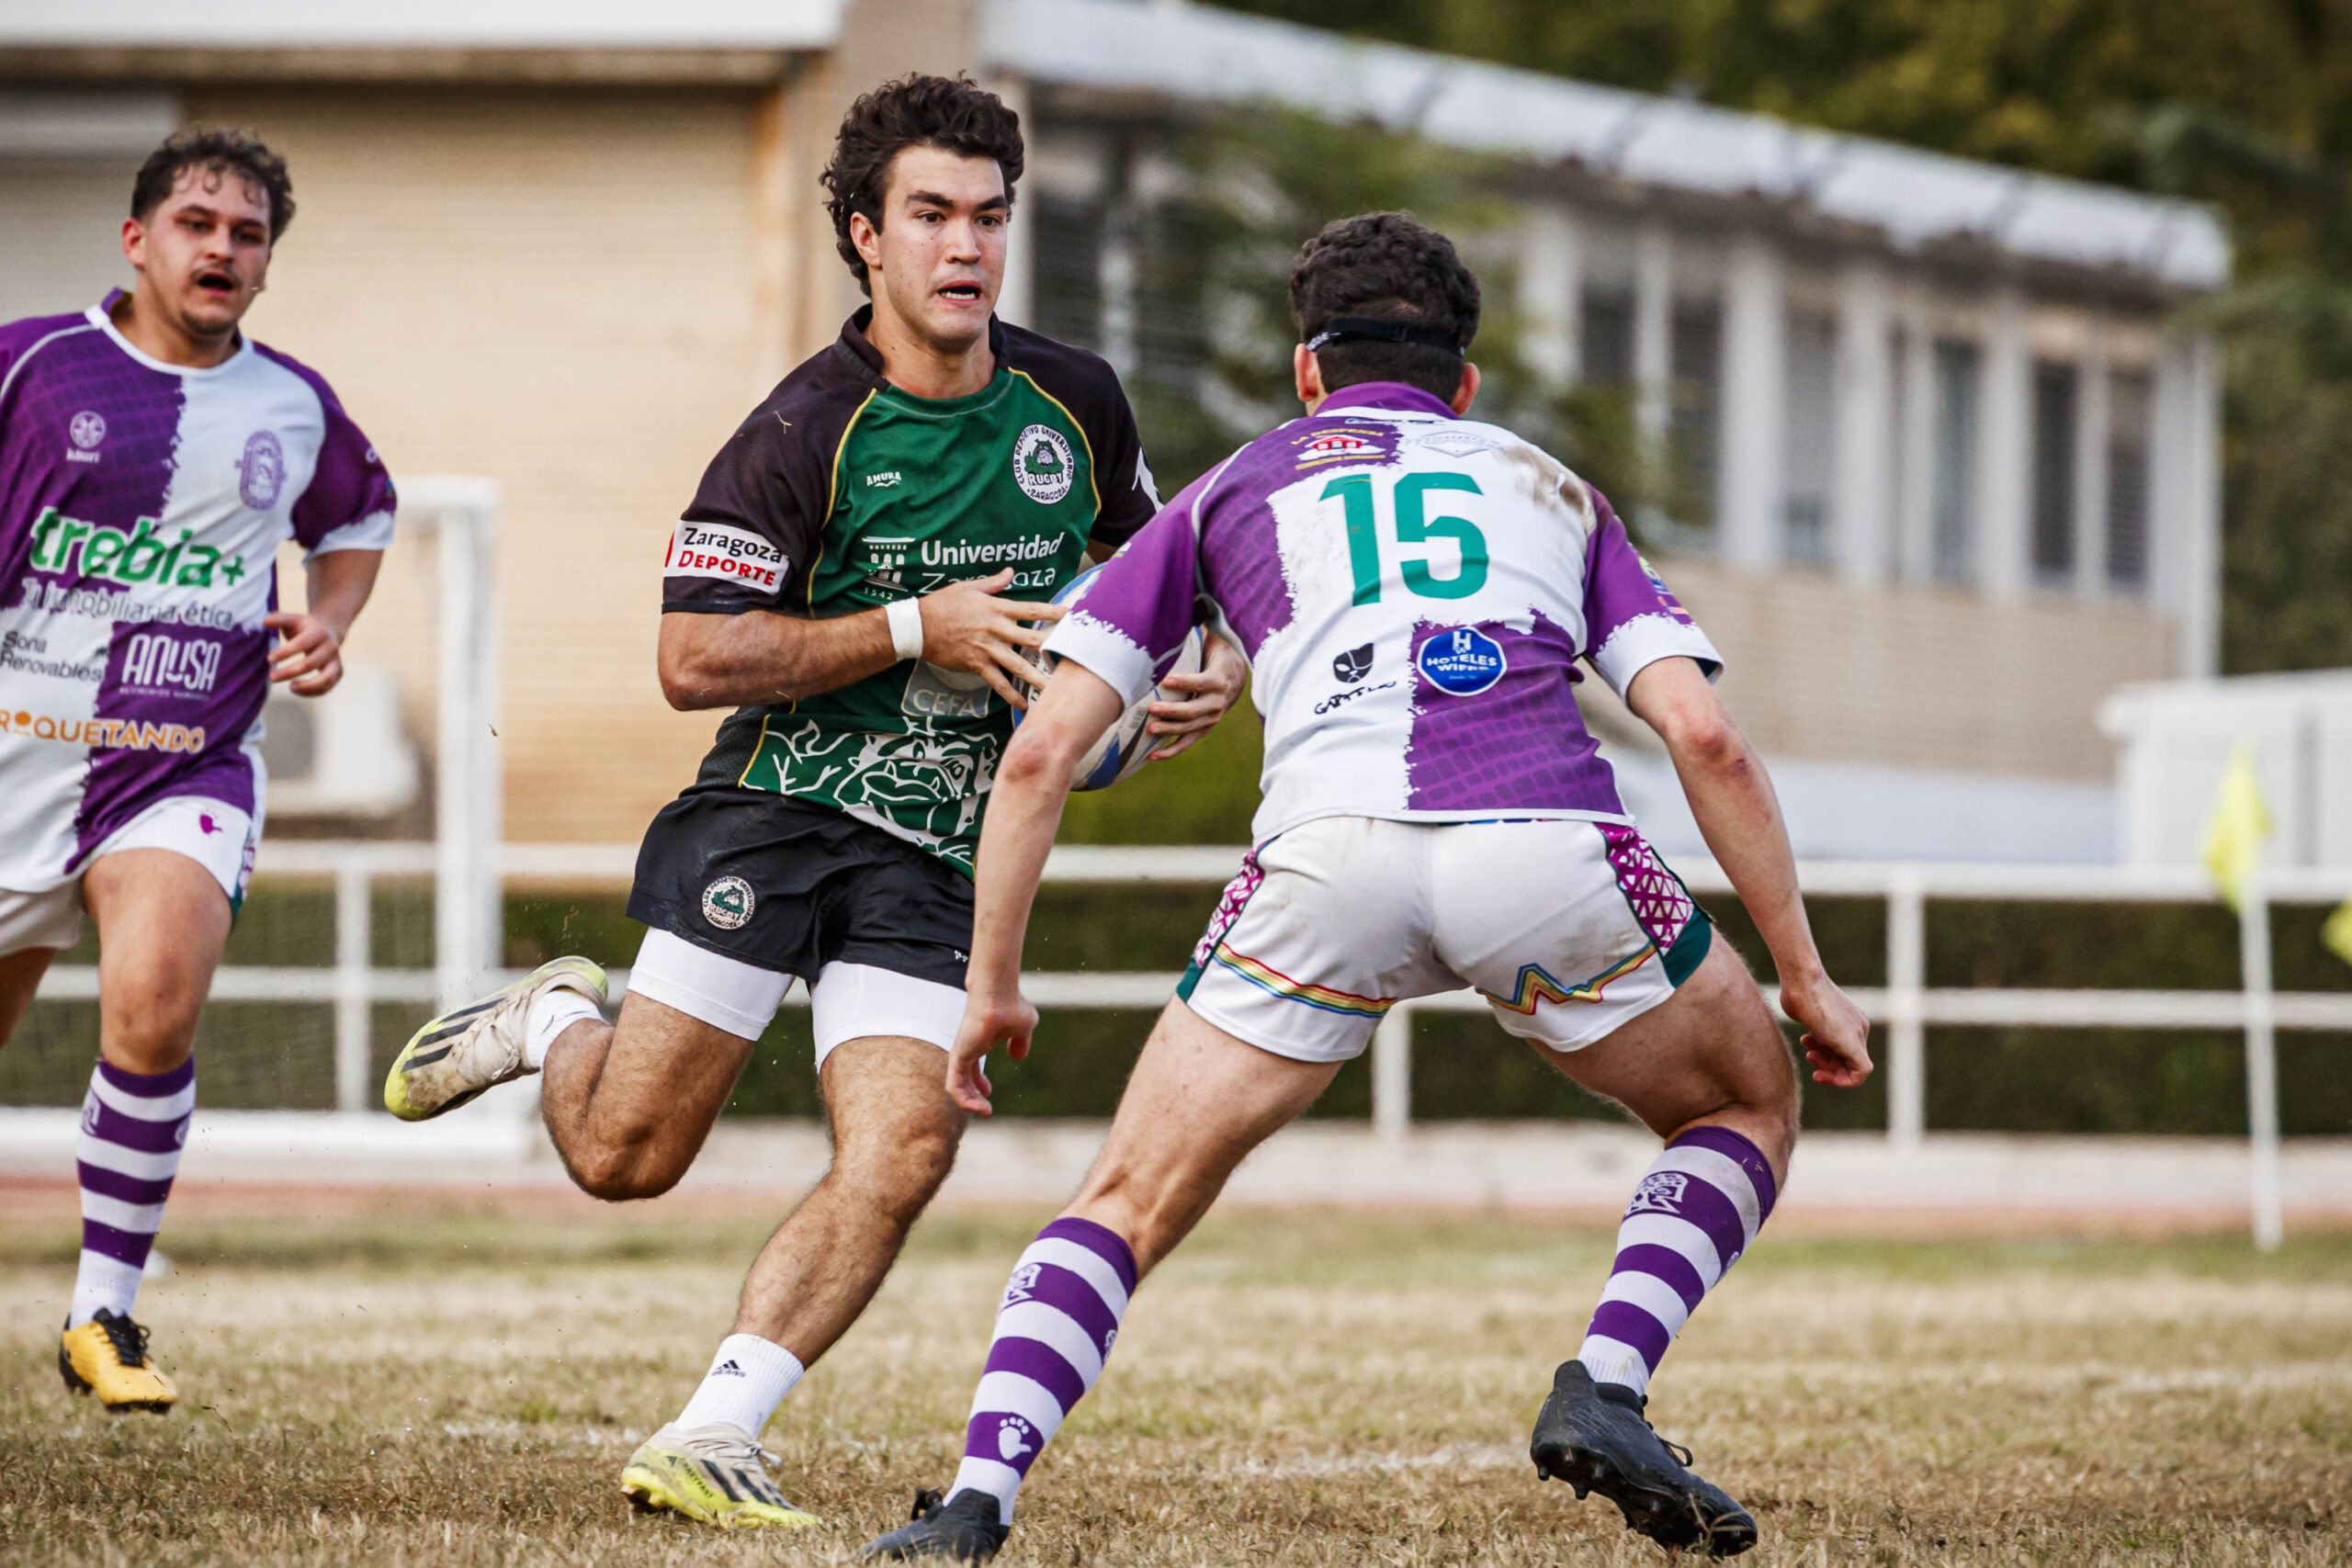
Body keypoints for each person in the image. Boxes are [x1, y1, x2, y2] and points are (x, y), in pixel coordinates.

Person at [858, 211, 1874, 1562]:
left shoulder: (1224, 495)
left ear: (1306, 373)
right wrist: (1803, 976)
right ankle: (1606, 1385)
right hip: (1545, 839)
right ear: (1463, 383)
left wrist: (989, 987)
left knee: (1125, 1198)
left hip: (1325, 859)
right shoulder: (1549, 487)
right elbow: (1704, 738)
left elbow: (1042, 748)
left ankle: (980, 1496)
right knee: (1745, 1103)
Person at [381, 74, 1245, 1529]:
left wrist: (1194, 672)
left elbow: (1161, 584)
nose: (964, 246)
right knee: (622, 1160)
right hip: (776, 812)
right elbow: (689, 657)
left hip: (936, 852)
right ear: (865, 236)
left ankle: (717, 1426)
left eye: (988, 217)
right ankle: (553, 1020)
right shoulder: (800, 430)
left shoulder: (1075, 403)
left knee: (908, 1147)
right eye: (929, 217)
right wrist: (920, 626)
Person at [0, 130, 395, 1414]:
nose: (220, 248)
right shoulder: (32, 366)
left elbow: (357, 519)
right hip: (16, 756)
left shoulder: (294, 404)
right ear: (136, 241)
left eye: (246, 233)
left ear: (268, 263)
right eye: (195, 223)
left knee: (157, 1004)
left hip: (180, 763)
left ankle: (104, 1312)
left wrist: (329, 619)